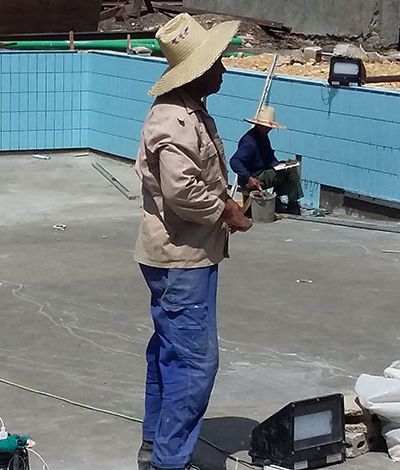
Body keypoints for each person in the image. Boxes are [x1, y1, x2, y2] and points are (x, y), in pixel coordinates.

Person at [134, 13, 253, 470]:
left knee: (169, 352)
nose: (223, 70)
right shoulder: (174, 121)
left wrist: (231, 195)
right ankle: (170, 460)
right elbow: (182, 191)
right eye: (217, 63)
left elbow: (195, 177)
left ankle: (155, 445)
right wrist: (227, 212)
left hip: (182, 255)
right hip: (181, 259)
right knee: (194, 364)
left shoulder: (189, 112)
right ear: (198, 70)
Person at [230, 106, 303, 215]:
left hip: (261, 172)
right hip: (254, 177)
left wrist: (278, 164)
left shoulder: (263, 138)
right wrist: (248, 177)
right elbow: (234, 161)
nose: (267, 129)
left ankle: (278, 200)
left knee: (287, 167)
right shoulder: (250, 142)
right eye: (265, 127)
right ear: (258, 125)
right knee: (288, 171)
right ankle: (293, 203)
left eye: (269, 128)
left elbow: (269, 157)